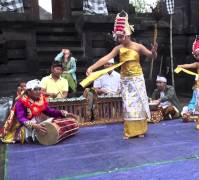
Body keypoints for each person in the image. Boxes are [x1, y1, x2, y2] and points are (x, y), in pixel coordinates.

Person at [85, 11, 157, 139]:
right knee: (128, 105)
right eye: (117, 37)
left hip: (137, 79)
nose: (119, 39)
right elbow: (106, 58)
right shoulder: (118, 48)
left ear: (128, 34)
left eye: (121, 37)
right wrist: (92, 67)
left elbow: (151, 57)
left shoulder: (138, 47)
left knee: (139, 104)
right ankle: (130, 131)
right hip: (126, 80)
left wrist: (154, 51)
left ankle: (140, 130)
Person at [0, 79, 77, 144]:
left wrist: (63, 113)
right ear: (29, 92)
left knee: (58, 122)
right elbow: (21, 118)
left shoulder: (40, 99)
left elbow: (49, 111)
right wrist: (34, 126)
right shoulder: (21, 102)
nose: (39, 91)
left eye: (39, 89)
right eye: (35, 89)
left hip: (36, 122)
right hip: (22, 126)